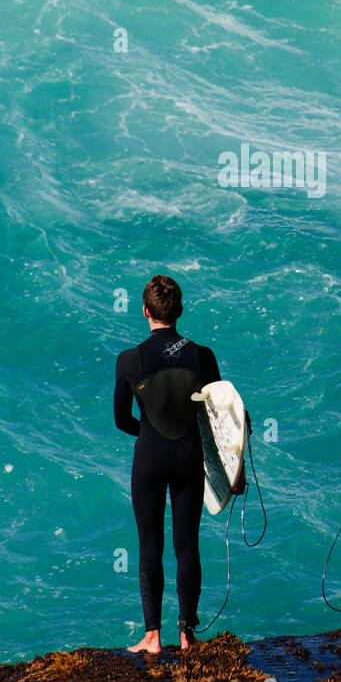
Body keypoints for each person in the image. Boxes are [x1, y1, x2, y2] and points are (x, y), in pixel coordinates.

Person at [113, 274, 221, 654]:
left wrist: (149, 434)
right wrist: (231, 470)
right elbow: (219, 419)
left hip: (150, 457)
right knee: (187, 545)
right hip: (189, 456)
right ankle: (188, 634)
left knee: (150, 546)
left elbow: (121, 419)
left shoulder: (130, 360)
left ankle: (152, 637)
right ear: (180, 311)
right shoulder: (203, 356)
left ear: (145, 311)